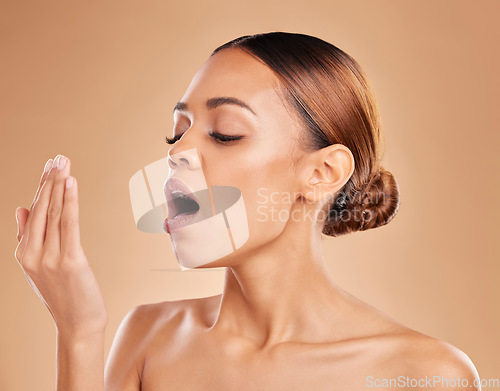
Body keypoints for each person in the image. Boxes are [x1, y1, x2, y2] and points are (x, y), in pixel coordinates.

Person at [14, 32, 480, 391]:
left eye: (226, 133)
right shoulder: (149, 338)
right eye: (177, 133)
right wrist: (79, 333)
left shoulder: (425, 373)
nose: (178, 153)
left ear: (322, 172)